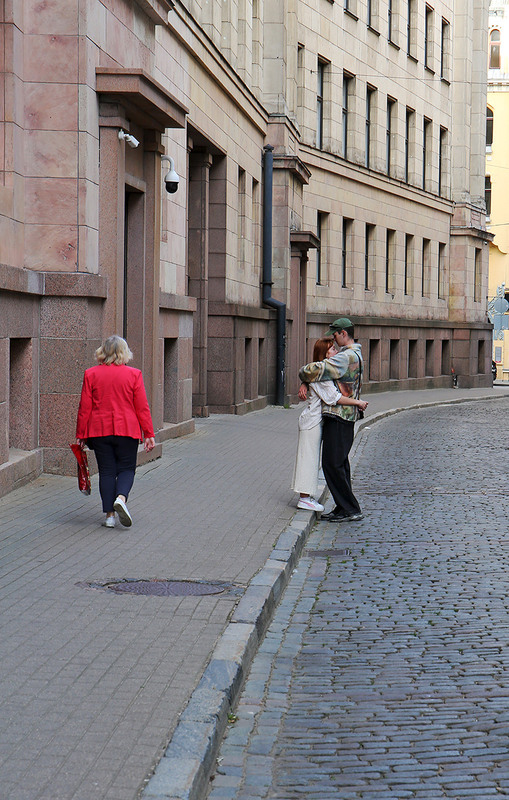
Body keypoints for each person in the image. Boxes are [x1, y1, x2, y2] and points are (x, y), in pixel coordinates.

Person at [76, 335, 155, 528]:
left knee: (107, 472)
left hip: (99, 431)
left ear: (103, 352)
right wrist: (149, 434)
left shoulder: (91, 374)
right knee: (127, 469)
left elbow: (84, 408)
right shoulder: (134, 374)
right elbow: (142, 407)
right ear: (123, 353)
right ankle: (121, 498)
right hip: (127, 430)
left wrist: (80, 435)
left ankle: (110, 517)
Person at [298, 318, 364, 523]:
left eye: (335, 335)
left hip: (339, 415)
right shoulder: (355, 353)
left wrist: (303, 377)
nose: (333, 341)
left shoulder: (344, 358)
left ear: (344, 333)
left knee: (332, 463)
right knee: (340, 463)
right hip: (344, 416)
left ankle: (350, 508)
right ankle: (343, 507)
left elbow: (311, 370)